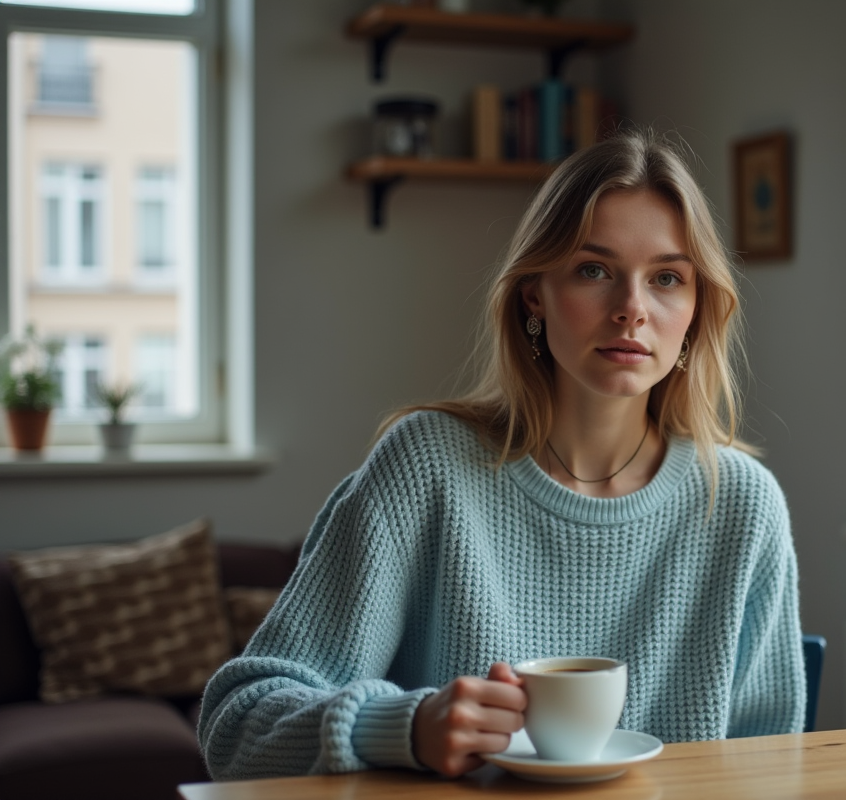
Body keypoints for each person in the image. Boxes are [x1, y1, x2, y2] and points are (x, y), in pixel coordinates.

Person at [198, 127, 805, 781]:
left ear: (695, 310)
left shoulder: (743, 504)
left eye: (666, 278)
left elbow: (769, 769)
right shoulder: (425, 467)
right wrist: (402, 727)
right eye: (594, 270)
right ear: (534, 296)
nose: (632, 309)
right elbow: (237, 726)